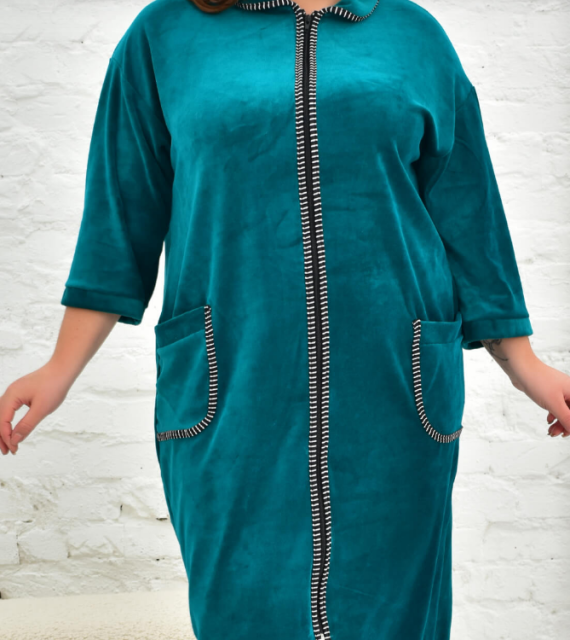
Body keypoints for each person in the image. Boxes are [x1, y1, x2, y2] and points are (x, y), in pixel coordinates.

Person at [1, 0, 569, 638]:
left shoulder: (413, 35)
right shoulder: (164, 35)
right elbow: (119, 218)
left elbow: (470, 214)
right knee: (244, 611)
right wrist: (59, 369)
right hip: (231, 391)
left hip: (395, 393)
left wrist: (525, 364)